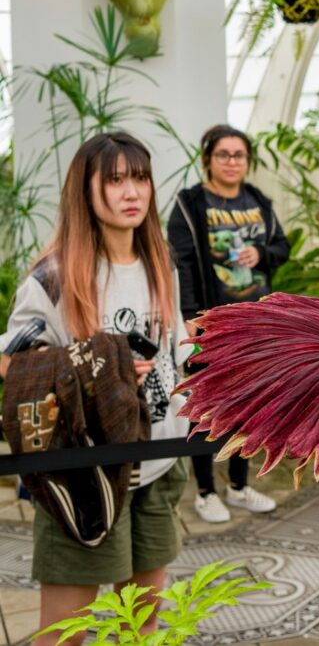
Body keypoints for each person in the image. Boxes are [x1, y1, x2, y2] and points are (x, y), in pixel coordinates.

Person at [0, 132, 191, 646]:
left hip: (158, 462)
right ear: (84, 191)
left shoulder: (161, 262)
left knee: (143, 628)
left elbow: (178, 347)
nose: (132, 192)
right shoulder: (55, 276)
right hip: (84, 474)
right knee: (65, 636)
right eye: (114, 180)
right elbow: (12, 364)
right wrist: (100, 370)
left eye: (141, 178)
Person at [167, 125, 289, 523]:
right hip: (210, 324)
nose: (232, 162)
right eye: (224, 155)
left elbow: (281, 247)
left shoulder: (258, 200)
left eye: (239, 155)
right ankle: (205, 492)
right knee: (205, 407)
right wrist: (189, 316)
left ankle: (238, 486)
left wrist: (261, 253)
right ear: (208, 159)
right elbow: (180, 263)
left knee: (249, 407)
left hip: (255, 324)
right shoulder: (190, 204)